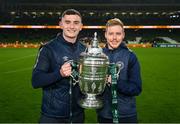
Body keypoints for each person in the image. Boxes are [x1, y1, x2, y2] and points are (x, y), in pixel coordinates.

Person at [31, 9, 86, 123]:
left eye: (76, 23)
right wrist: (59, 73)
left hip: (78, 115)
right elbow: (36, 81)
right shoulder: (48, 49)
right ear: (61, 24)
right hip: (52, 116)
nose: (72, 26)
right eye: (67, 22)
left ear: (81, 26)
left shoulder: (85, 50)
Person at [97, 18, 142, 123]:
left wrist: (115, 82)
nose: (114, 38)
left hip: (126, 115)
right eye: (111, 33)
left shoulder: (131, 56)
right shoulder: (98, 56)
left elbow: (136, 88)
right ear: (105, 35)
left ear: (123, 35)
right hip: (104, 114)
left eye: (118, 33)